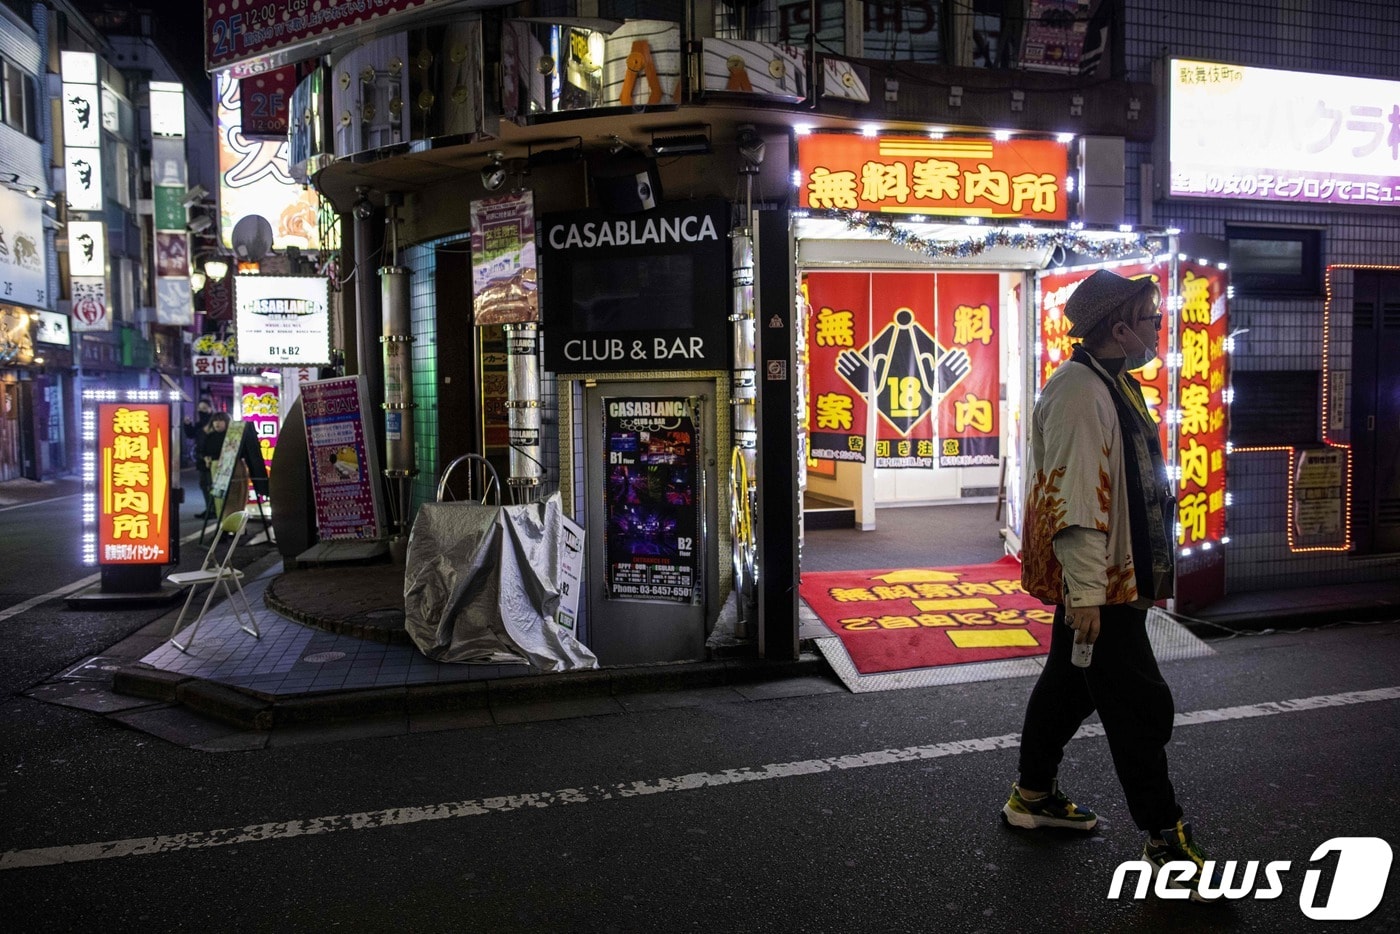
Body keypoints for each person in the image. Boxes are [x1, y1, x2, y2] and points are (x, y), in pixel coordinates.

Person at [1002, 269, 1222, 901]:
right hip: (1105, 586)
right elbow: (1075, 501)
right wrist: (1088, 593)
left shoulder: (1111, 381)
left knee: (1068, 687)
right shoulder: (1080, 391)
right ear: (1119, 328)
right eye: (1152, 319)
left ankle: (1032, 795)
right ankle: (1165, 838)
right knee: (1138, 706)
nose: (1159, 329)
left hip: (1108, 578)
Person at [199, 411, 269, 519]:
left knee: (235, 496)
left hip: (234, 468)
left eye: (220, 420)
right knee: (219, 499)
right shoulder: (210, 436)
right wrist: (206, 458)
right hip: (216, 469)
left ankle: (234, 522)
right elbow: (203, 451)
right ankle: (223, 521)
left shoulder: (234, 436)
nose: (217, 423)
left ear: (227, 422)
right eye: (215, 421)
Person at [182, 398, 214, 516]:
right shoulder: (200, 424)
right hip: (201, 457)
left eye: (204, 408)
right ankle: (209, 509)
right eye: (200, 408)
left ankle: (213, 509)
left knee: (211, 485)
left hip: (211, 458)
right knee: (204, 484)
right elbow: (191, 434)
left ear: (210, 409)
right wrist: (187, 425)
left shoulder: (214, 422)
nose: (201, 411)